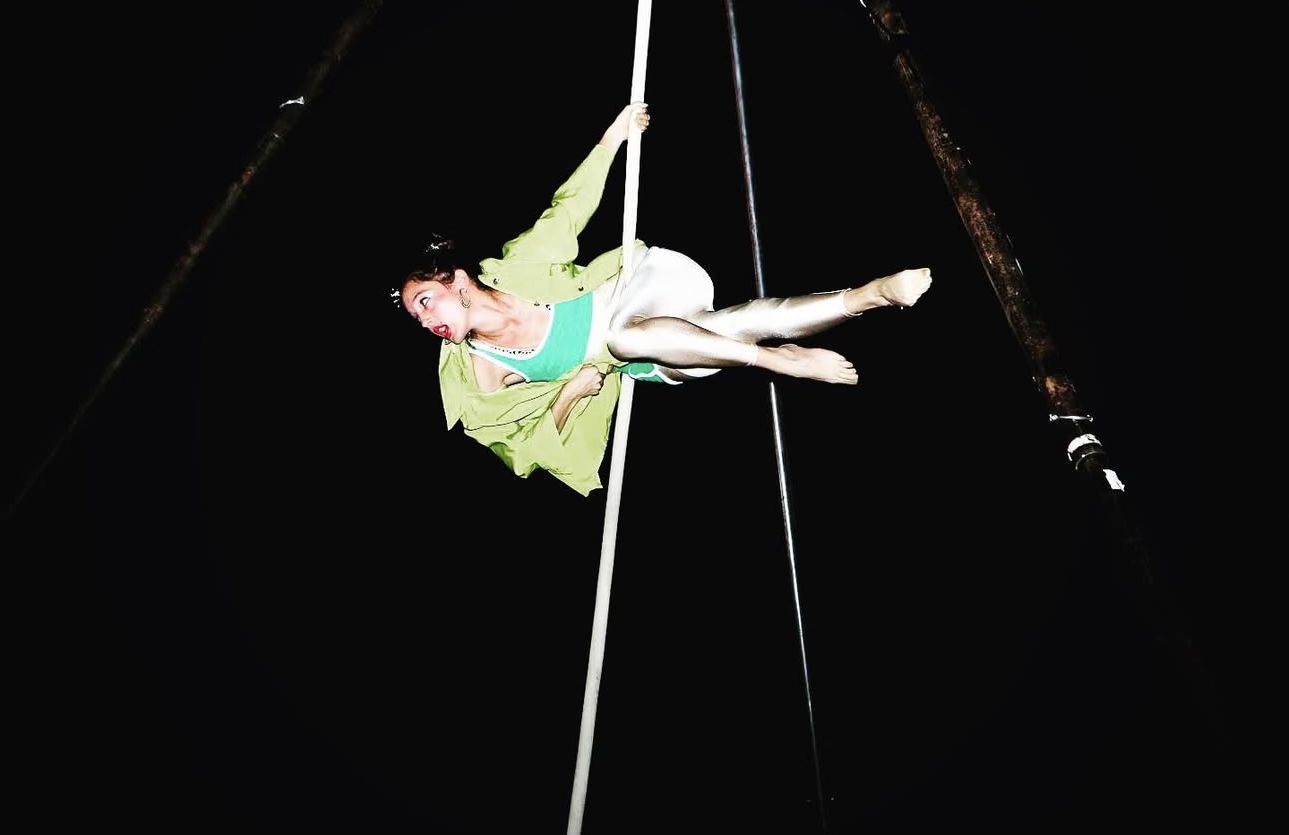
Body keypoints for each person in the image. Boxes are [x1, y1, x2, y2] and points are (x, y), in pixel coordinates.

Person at [392, 102, 932, 496]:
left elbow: (568, 209)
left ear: (455, 280)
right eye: (416, 317)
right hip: (657, 352)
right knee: (700, 331)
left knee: (622, 334)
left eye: (425, 301)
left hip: (646, 286)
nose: (424, 321)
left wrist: (614, 136)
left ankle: (777, 361)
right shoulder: (479, 374)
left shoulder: (519, 267)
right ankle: (866, 297)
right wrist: (571, 393)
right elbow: (522, 452)